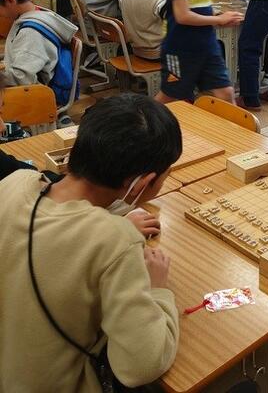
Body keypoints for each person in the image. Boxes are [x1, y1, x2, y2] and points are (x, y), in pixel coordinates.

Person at [0, 93, 181, 391]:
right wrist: (158, 289)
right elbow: (140, 366)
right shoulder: (115, 241)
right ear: (142, 183)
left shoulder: (14, 183)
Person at [0, 0, 78, 91]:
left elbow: (21, 79)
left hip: (30, 94)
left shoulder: (30, 34)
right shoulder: (38, 13)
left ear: (9, 1)